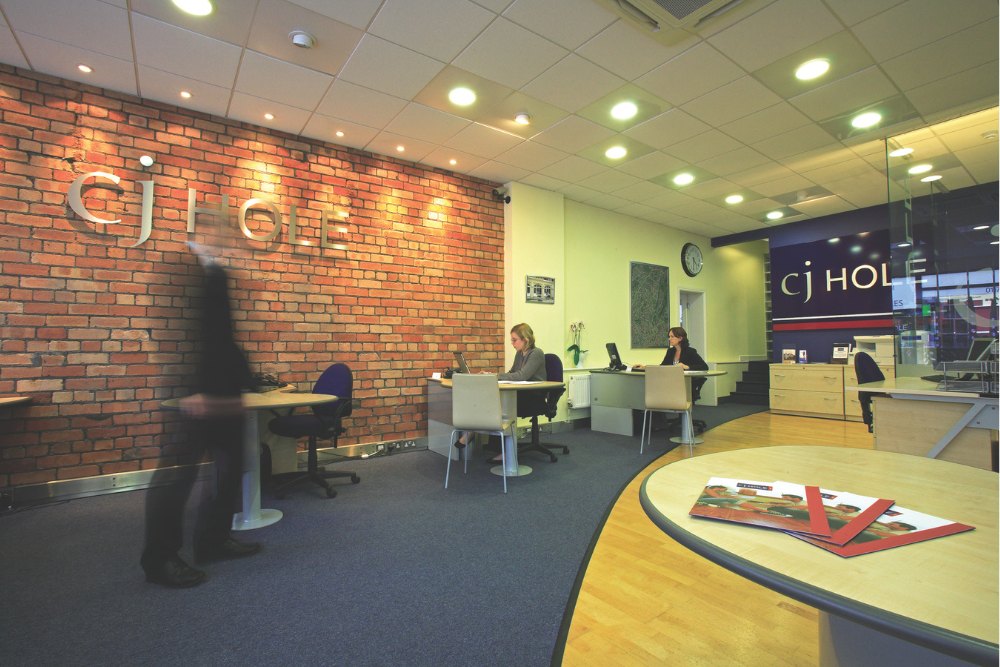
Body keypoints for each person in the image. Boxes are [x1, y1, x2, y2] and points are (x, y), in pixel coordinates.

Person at [140, 237, 261, 588]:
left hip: (225, 392)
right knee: (176, 477)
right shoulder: (183, 268)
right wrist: (192, 389)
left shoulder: (219, 273)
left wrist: (242, 383)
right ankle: (159, 560)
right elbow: (177, 332)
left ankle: (213, 540)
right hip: (195, 393)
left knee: (230, 468)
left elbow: (225, 333)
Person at [453, 323, 546, 454]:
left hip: (533, 397)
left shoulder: (536, 353)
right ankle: (494, 446)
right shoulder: (520, 354)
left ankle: (498, 449)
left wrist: (495, 376)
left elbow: (522, 376)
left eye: (515, 340)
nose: (512, 343)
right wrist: (492, 376)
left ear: (526, 339)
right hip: (519, 393)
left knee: (497, 402)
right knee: (492, 397)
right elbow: (512, 372)